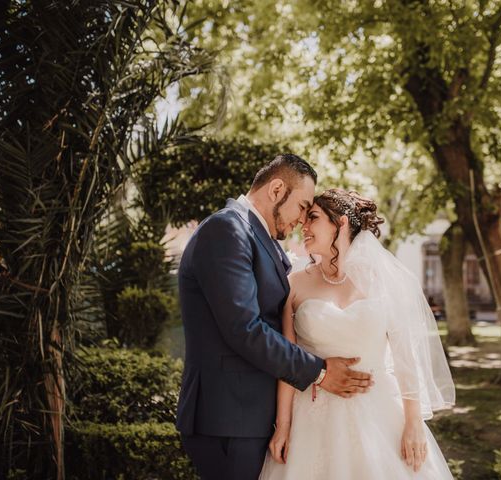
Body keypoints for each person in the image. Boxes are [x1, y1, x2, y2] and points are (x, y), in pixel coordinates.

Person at [175, 155, 373, 480]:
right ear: (277, 188)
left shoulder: (256, 235)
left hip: (246, 414)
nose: (302, 220)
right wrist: (320, 372)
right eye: (302, 206)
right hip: (228, 417)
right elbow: (245, 329)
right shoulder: (227, 230)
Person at [260, 189, 456, 479]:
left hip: (378, 413)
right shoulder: (295, 285)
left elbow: (405, 357)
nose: (304, 226)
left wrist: (413, 422)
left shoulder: (384, 281)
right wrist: (284, 426)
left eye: (313, 218)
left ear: (340, 223)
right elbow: (287, 363)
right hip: (312, 416)